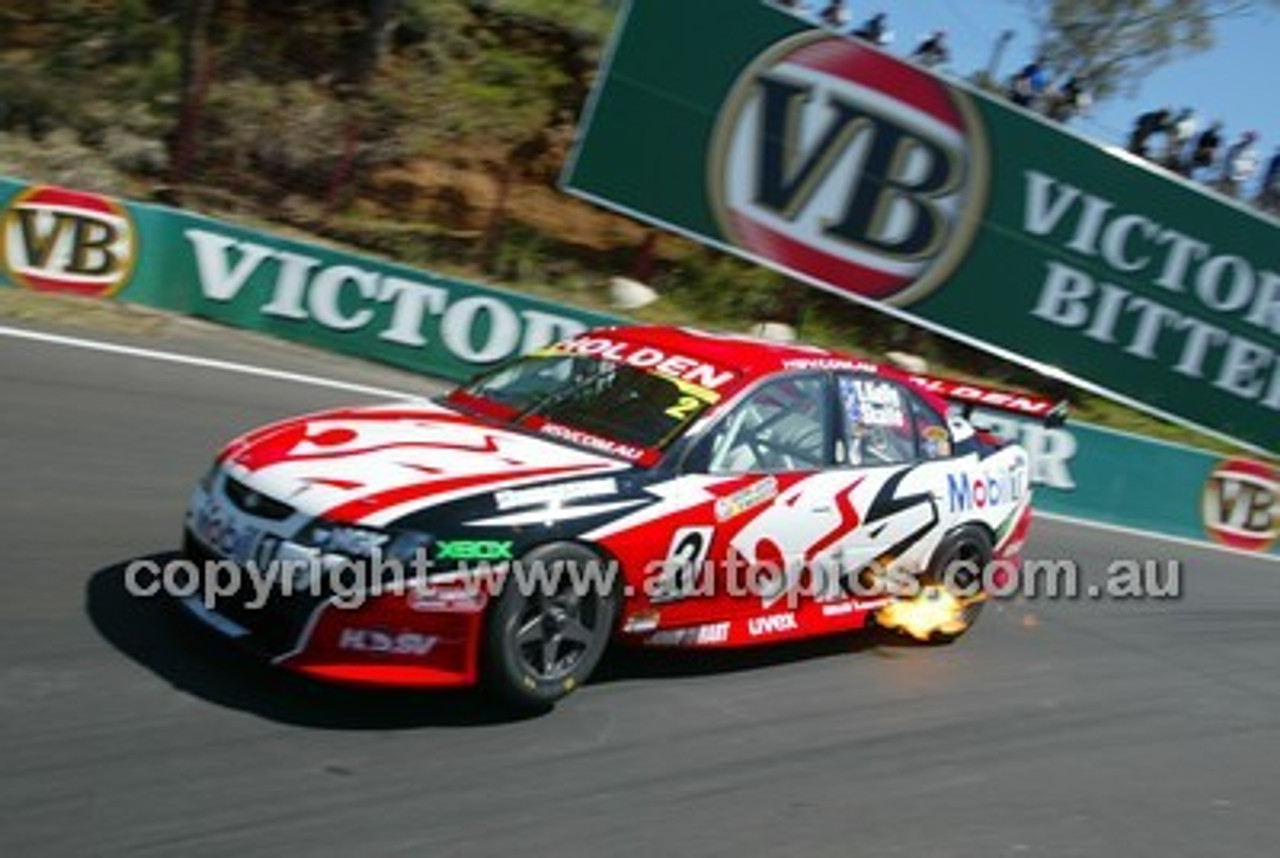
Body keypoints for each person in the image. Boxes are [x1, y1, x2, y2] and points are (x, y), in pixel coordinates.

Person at [1218, 131, 1260, 198]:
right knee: (1218, 194)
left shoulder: (1253, 153)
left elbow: (1252, 168)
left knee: (1230, 198)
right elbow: (1226, 159)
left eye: (1251, 139)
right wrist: (1223, 171)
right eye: (1248, 137)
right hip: (1226, 175)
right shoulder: (1234, 146)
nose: (1249, 140)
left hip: (1237, 181)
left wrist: (1244, 178)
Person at [1256, 146, 1280, 215]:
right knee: (1261, 207)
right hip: (1271, 187)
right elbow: (1269, 173)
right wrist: (1266, 183)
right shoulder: (1277, 159)